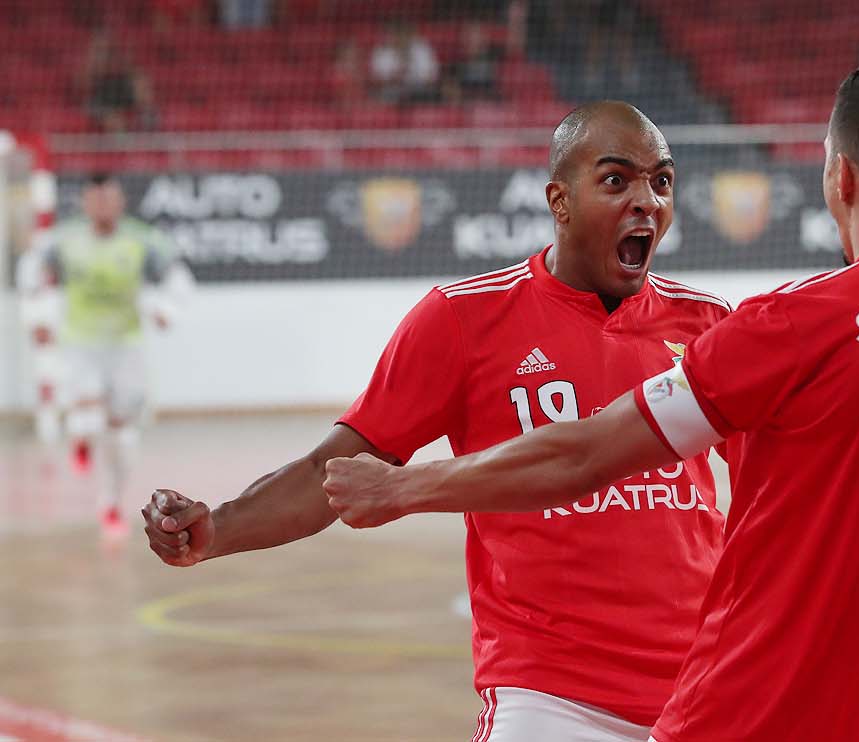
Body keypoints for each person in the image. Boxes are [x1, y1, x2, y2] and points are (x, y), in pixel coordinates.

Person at [322, 61, 859, 741]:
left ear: (839, 176)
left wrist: (404, 487)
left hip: (755, 709)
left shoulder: (790, 325)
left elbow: (583, 453)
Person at [142, 101, 734, 742]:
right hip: (552, 696)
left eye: (662, 181)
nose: (647, 200)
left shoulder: (707, 325)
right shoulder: (463, 320)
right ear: (559, 202)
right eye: (617, 180)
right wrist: (218, 528)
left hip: (705, 683)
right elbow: (331, 471)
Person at [32, 173, 193, 541]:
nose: (102, 207)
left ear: (120, 202)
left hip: (126, 346)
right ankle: (81, 439)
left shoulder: (143, 241)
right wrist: (40, 319)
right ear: (85, 203)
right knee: (87, 418)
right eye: (96, 200)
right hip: (80, 345)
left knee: (121, 435)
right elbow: (37, 279)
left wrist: (167, 310)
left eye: (109, 199)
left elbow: (178, 279)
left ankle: (110, 504)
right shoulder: (63, 242)